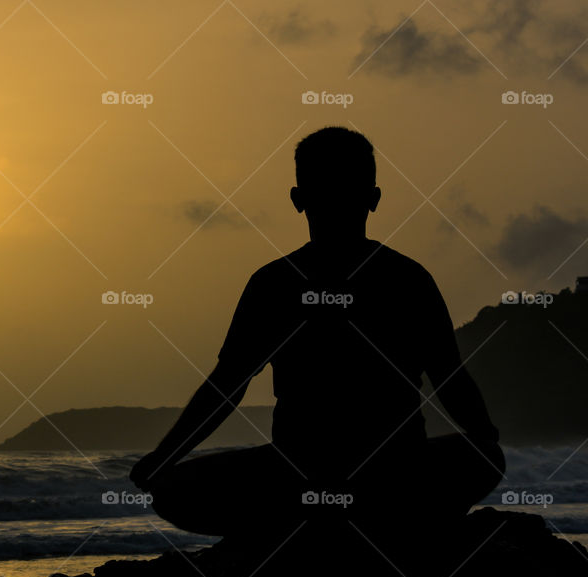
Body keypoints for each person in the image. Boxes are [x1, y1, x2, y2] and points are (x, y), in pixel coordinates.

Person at [129, 127, 505, 537]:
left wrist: (163, 458)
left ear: (297, 199)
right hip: (387, 474)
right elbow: (449, 377)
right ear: (374, 199)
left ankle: (303, 523)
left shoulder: (274, 283)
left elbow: (227, 385)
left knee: (169, 489)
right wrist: (484, 436)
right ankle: (380, 517)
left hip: (306, 476)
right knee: (484, 458)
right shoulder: (408, 278)